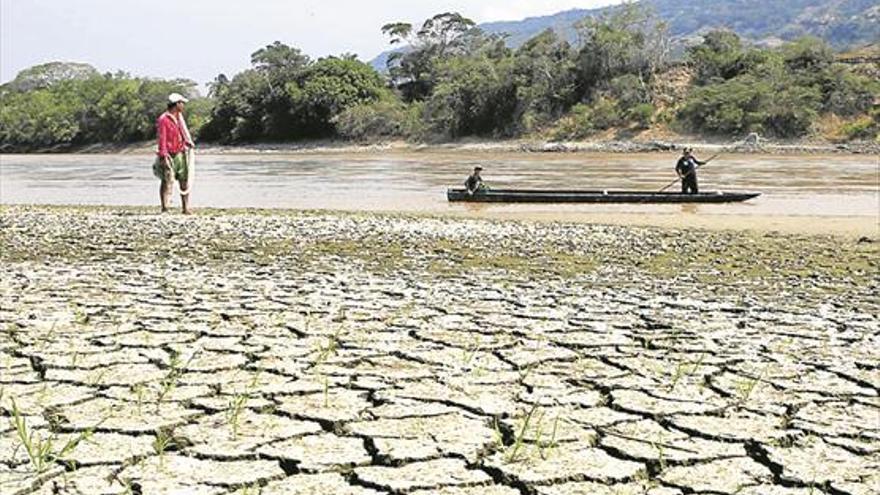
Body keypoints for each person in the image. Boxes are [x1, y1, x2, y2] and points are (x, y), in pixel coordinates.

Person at [153, 93, 195, 213]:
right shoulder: (164, 119)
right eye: (182, 103)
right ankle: (165, 207)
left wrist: (188, 142)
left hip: (180, 152)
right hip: (169, 154)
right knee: (166, 181)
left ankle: (186, 208)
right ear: (177, 104)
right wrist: (163, 155)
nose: (183, 106)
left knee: (184, 180)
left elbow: (182, 132)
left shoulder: (179, 118)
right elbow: (162, 138)